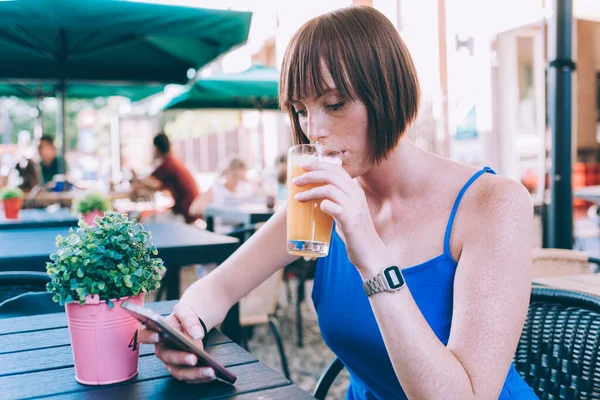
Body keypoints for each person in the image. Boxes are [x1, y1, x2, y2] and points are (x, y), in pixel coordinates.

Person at [140, 6, 535, 399]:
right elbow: (217, 289)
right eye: (300, 110)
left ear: (389, 92)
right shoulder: (318, 200)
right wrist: (186, 330)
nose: (315, 130)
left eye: (334, 104)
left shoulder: (494, 205)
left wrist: (371, 257)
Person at [132, 132, 199, 224]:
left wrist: (136, 178)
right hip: (187, 210)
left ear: (156, 148)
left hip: (185, 213)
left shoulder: (168, 164)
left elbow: (151, 183)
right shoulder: (173, 161)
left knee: (146, 223)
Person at [188, 156, 258, 219]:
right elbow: (194, 210)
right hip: (223, 230)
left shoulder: (244, 189)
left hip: (242, 228)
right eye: (235, 176)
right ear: (227, 172)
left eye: (240, 177)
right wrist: (219, 210)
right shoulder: (216, 189)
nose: (237, 181)